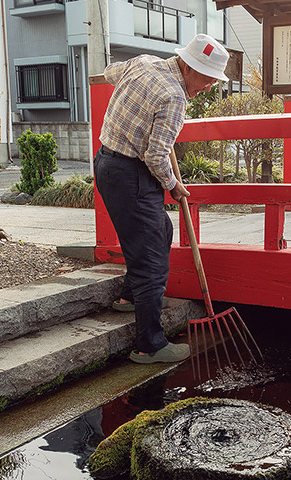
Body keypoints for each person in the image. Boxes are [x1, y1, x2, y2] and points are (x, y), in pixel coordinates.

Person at [94, 34, 230, 364]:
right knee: (153, 259)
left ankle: (130, 297)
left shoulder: (143, 63)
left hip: (106, 164)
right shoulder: (174, 99)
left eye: (214, 79)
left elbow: (111, 71)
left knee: (157, 233)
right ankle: (150, 345)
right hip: (133, 174)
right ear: (187, 65)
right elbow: (156, 156)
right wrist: (174, 186)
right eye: (207, 77)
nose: (209, 86)